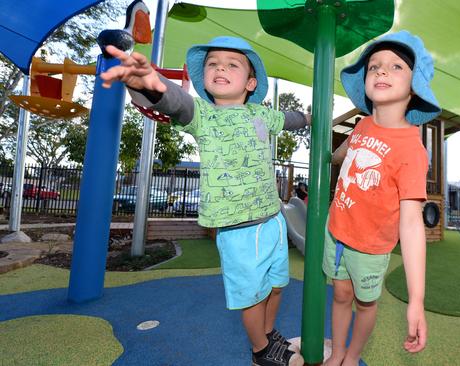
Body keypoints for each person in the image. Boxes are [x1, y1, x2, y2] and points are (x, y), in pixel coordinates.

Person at [100, 36, 310, 366]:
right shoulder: (203, 115)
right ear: (206, 79)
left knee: (277, 286)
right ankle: (260, 351)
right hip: (238, 229)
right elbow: (174, 100)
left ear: (250, 82)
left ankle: (269, 335)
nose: (220, 68)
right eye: (213, 63)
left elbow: (290, 119)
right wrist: (152, 83)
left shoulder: (260, 114)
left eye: (231, 64)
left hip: (272, 220)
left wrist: (312, 117)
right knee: (252, 298)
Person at [322, 30, 441, 366]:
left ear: (414, 85)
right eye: (374, 66)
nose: (381, 71)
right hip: (337, 231)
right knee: (340, 293)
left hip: (370, 247)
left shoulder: (411, 150)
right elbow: (338, 157)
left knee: (364, 303)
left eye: (395, 66)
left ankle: (352, 355)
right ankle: (339, 351)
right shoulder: (361, 127)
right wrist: (322, 146)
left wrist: (416, 299)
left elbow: (412, 224)